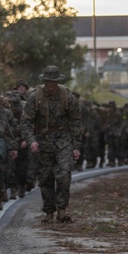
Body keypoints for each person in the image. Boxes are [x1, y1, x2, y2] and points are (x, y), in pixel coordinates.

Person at [20, 65, 82, 224]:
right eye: (48, 82)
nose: (51, 86)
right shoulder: (35, 97)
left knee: (63, 174)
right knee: (45, 177)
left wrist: (76, 146)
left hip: (63, 140)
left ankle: (62, 210)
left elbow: (75, 122)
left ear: (58, 82)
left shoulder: (67, 97)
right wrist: (31, 140)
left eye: (54, 82)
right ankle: (49, 211)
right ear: (45, 81)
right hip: (42, 140)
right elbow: (26, 122)